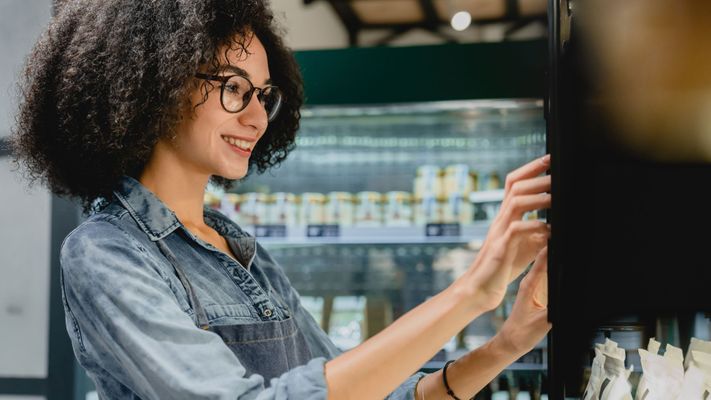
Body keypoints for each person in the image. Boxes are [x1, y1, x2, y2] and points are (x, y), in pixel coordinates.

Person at [11, 1, 552, 399]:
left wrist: (503, 345)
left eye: (264, 95)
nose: (254, 117)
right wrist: (470, 293)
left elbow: (362, 390)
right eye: (233, 88)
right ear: (155, 84)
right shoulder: (106, 253)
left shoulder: (239, 249)